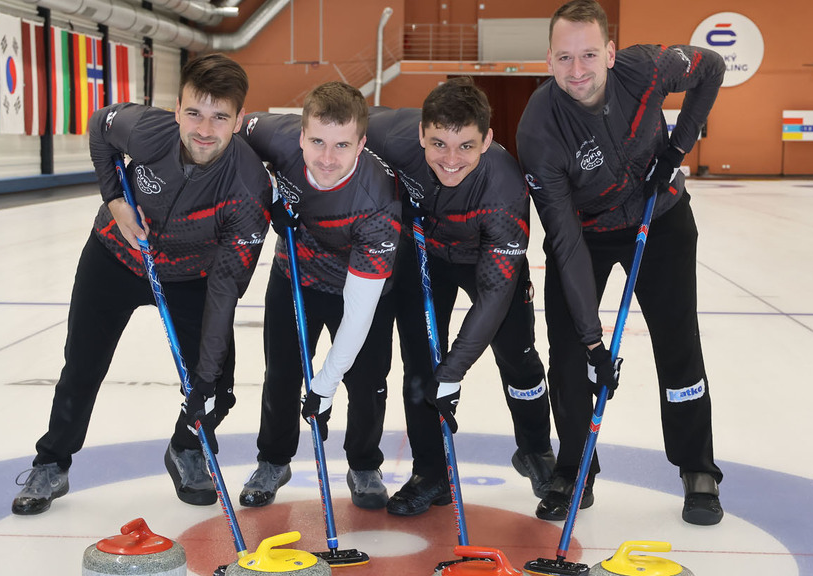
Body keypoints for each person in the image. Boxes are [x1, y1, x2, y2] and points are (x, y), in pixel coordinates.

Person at [10, 54, 271, 515]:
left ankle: (186, 447)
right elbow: (98, 128)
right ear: (176, 108)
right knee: (82, 366)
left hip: (192, 276)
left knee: (217, 383)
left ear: (239, 119)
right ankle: (51, 462)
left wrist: (204, 381)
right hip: (114, 257)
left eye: (220, 117)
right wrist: (114, 199)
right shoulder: (146, 129)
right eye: (194, 112)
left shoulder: (249, 187)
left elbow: (227, 289)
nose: (204, 130)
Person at [516, 0, 726, 526]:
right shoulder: (538, 129)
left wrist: (676, 150)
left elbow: (712, 69)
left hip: (663, 217)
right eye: (564, 58)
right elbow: (562, 238)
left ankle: (697, 468)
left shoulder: (648, 68)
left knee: (678, 344)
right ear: (548, 60)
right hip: (585, 234)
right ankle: (574, 468)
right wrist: (593, 341)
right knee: (566, 351)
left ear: (610, 53)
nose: (578, 70)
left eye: (589, 54)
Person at [366, 77, 555, 517]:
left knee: (517, 357)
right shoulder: (388, 133)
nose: (450, 160)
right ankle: (431, 473)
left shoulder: (506, 188)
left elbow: (492, 297)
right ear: (419, 134)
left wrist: (453, 374)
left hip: (487, 257)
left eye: (466, 147)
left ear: (487, 139)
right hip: (425, 253)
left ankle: (535, 450)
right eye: (438, 144)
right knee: (420, 368)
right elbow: (326, 129)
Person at [236, 82, 401, 510]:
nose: (328, 158)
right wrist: (265, 191)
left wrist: (325, 387)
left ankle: (364, 463)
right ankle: (273, 459)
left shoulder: (377, 200)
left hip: (359, 287)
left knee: (366, 382)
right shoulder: (270, 134)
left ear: (362, 144)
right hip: (295, 278)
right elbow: (229, 135)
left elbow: (360, 312)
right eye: (317, 142)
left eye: (342, 145)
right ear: (300, 136)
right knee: (282, 376)